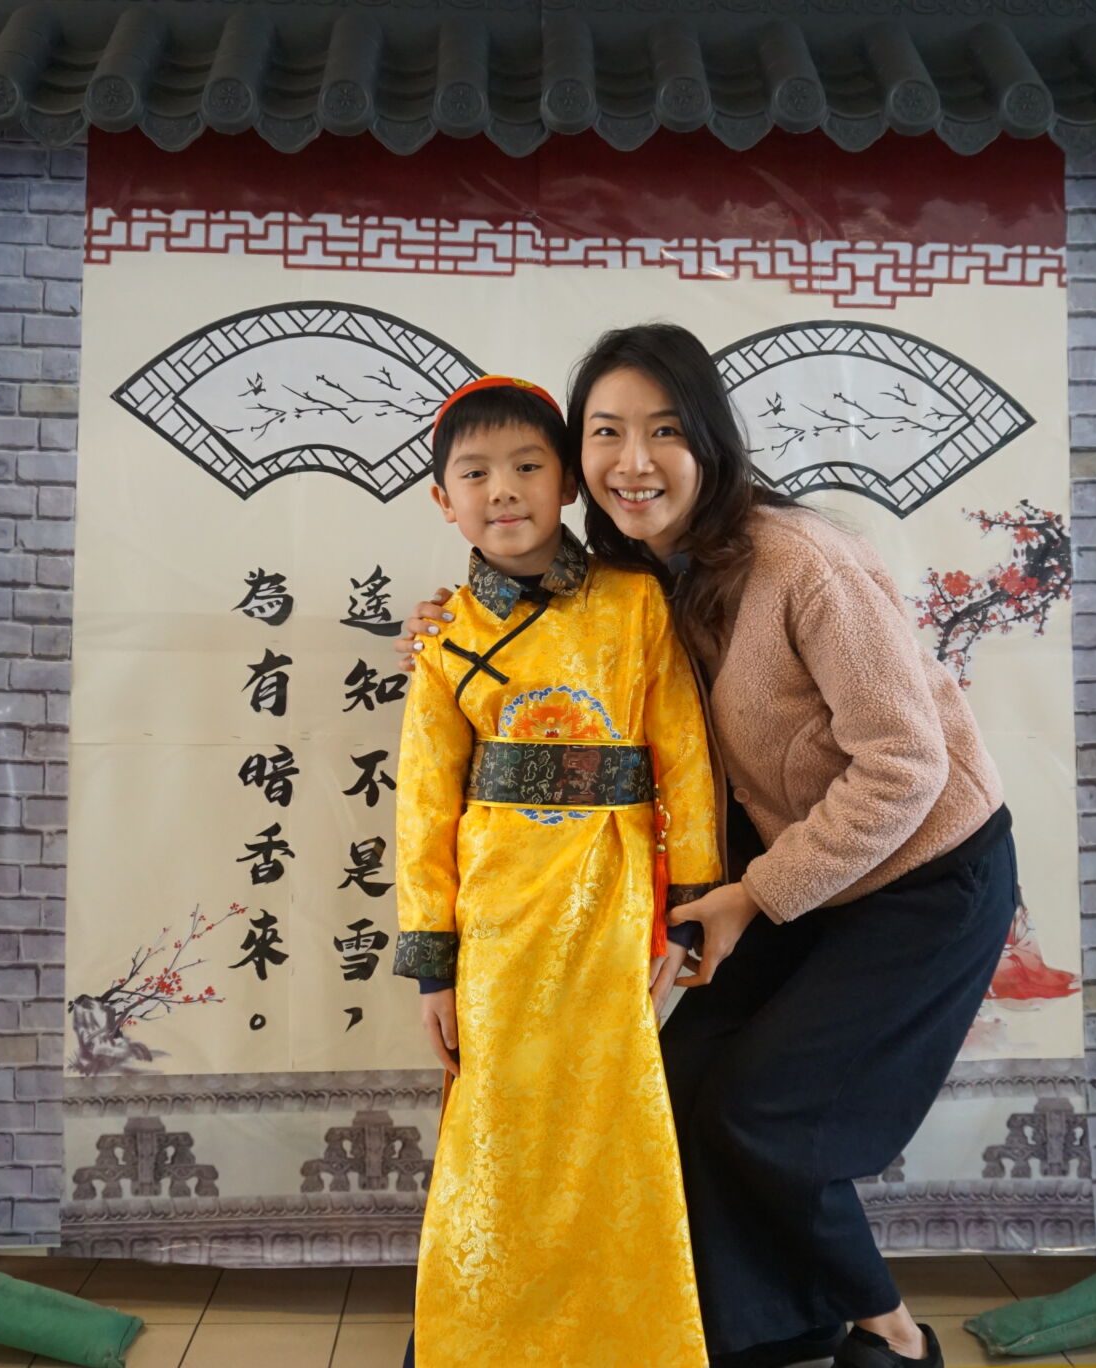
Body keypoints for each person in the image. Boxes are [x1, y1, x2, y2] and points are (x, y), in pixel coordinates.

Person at [402, 327, 1018, 1368]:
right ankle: (767, 1329)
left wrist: (749, 895)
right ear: (577, 460)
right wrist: (452, 627)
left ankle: (893, 1330)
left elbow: (906, 766)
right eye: (606, 432)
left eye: (664, 431)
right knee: (674, 1079)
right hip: (795, 874)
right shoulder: (630, 570)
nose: (632, 461)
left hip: (921, 876)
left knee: (765, 1108)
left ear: (711, 442)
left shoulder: (802, 562)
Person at [393, 374, 721, 1368]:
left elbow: (683, 752)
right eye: (475, 474)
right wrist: (433, 962)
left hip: (615, 902)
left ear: (568, 482)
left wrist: (692, 904)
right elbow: (423, 806)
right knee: (497, 1119)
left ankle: (628, 1339)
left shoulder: (635, 602)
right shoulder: (445, 635)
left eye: (528, 465)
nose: (503, 490)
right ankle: (484, 1338)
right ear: (441, 498)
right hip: (496, 919)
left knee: (615, 1118)